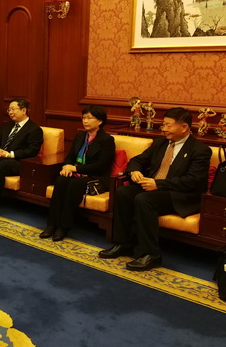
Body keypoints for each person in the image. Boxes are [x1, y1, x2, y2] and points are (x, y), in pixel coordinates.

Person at [99, 107, 211, 271]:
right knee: (123, 193)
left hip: (178, 195)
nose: (164, 129)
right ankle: (123, 244)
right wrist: (134, 171)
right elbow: (138, 160)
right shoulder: (160, 143)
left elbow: (193, 181)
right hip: (154, 188)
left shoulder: (200, 150)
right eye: (163, 125)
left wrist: (159, 184)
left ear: (184, 127)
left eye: (168, 125)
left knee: (144, 199)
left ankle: (151, 254)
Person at [39, 105, 115, 241]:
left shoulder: (107, 140)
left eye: (89, 118)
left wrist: (75, 169)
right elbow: (70, 157)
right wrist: (66, 167)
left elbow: (101, 166)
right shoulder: (80, 136)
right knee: (61, 180)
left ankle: (64, 227)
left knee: (74, 184)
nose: (85, 121)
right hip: (78, 173)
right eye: (84, 117)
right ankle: (51, 224)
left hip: (96, 177)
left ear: (100, 121)